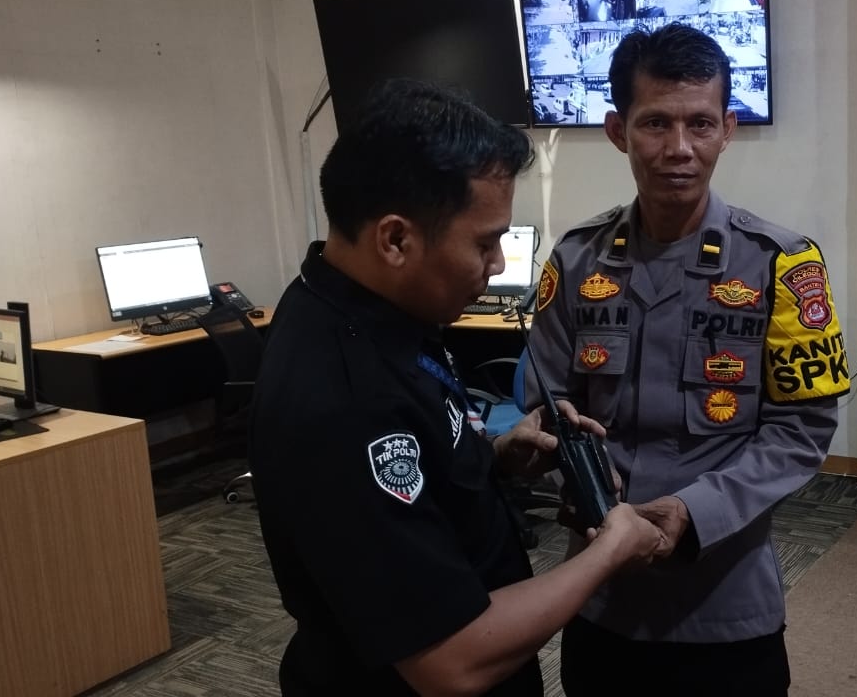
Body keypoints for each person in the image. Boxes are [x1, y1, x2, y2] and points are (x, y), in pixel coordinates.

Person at [247, 78, 664, 697]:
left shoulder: (376, 307)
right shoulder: (343, 398)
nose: (498, 265)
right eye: (485, 243)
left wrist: (495, 456)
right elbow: (450, 662)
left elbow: (418, 460)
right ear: (395, 239)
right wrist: (609, 551)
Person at [524, 24, 851, 696]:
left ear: (727, 129)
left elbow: (802, 430)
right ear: (617, 130)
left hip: (725, 603)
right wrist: (574, 479)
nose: (679, 148)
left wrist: (694, 512)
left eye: (700, 123)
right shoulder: (576, 259)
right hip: (598, 594)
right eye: (655, 123)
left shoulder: (782, 264)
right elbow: (545, 404)